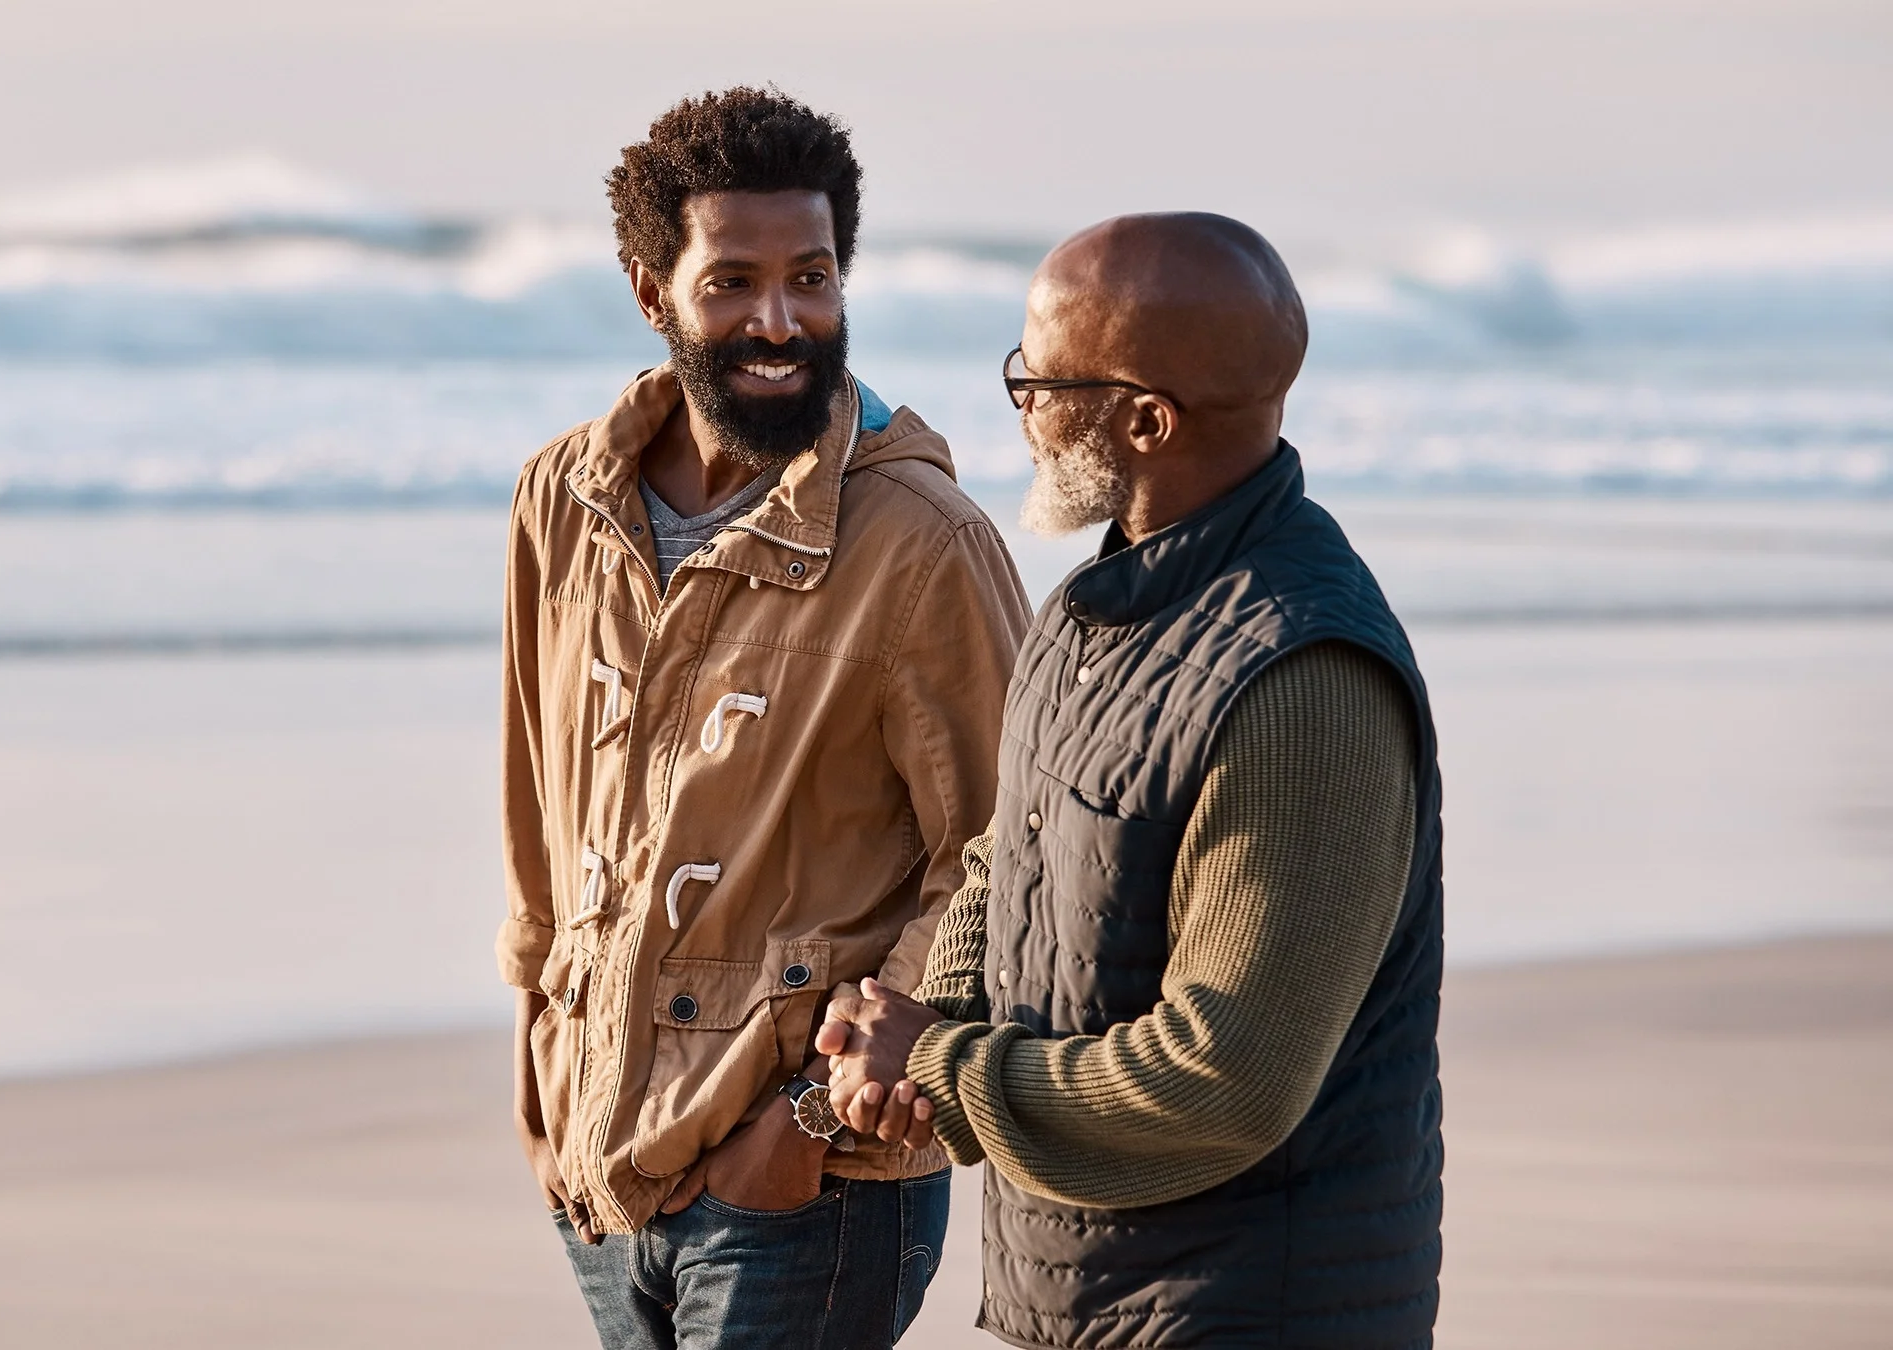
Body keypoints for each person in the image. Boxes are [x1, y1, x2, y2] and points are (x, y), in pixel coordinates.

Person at [817, 213, 1448, 1348]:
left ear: (1147, 421)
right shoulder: (1091, 608)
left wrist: (944, 1069)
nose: (1022, 411)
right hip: (1091, 1300)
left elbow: (1227, 1079)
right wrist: (926, 1021)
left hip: (1252, 1311)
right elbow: (1010, 859)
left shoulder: (1303, 683)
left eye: (1041, 380)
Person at [495, 88, 1030, 1349]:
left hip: (802, 1186)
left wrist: (805, 1123)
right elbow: (537, 787)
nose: (779, 322)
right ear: (650, 290)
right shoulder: (563, 500)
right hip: (602, 1158)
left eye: (813, 277)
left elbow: (1010, 855)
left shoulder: (923, 545)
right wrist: (536, 1058)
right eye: (731, 281)